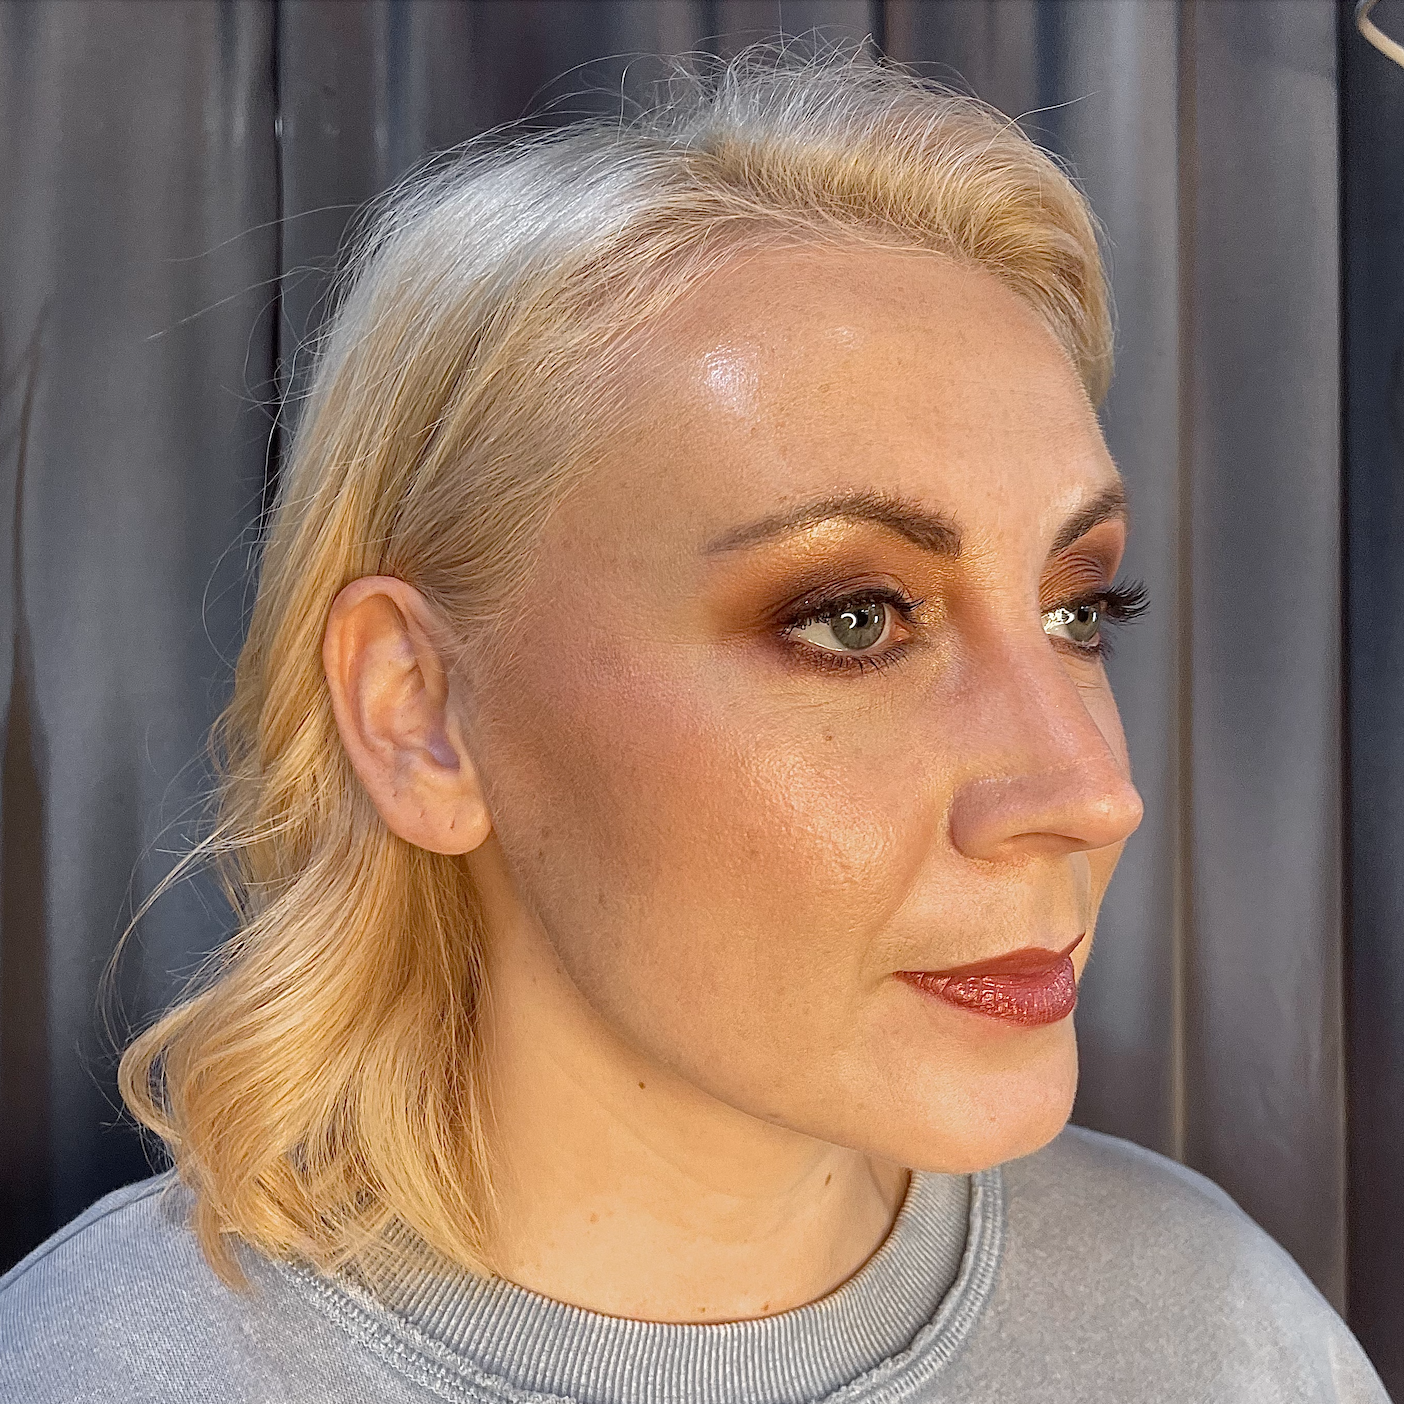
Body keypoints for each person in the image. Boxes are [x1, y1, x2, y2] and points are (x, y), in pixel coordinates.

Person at [0, 49, 1387, 1404]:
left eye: (1079, 612)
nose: (1091, 793)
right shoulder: (93, 1370)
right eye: (857, 618)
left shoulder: (1218, 1335)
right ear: (418, 714)